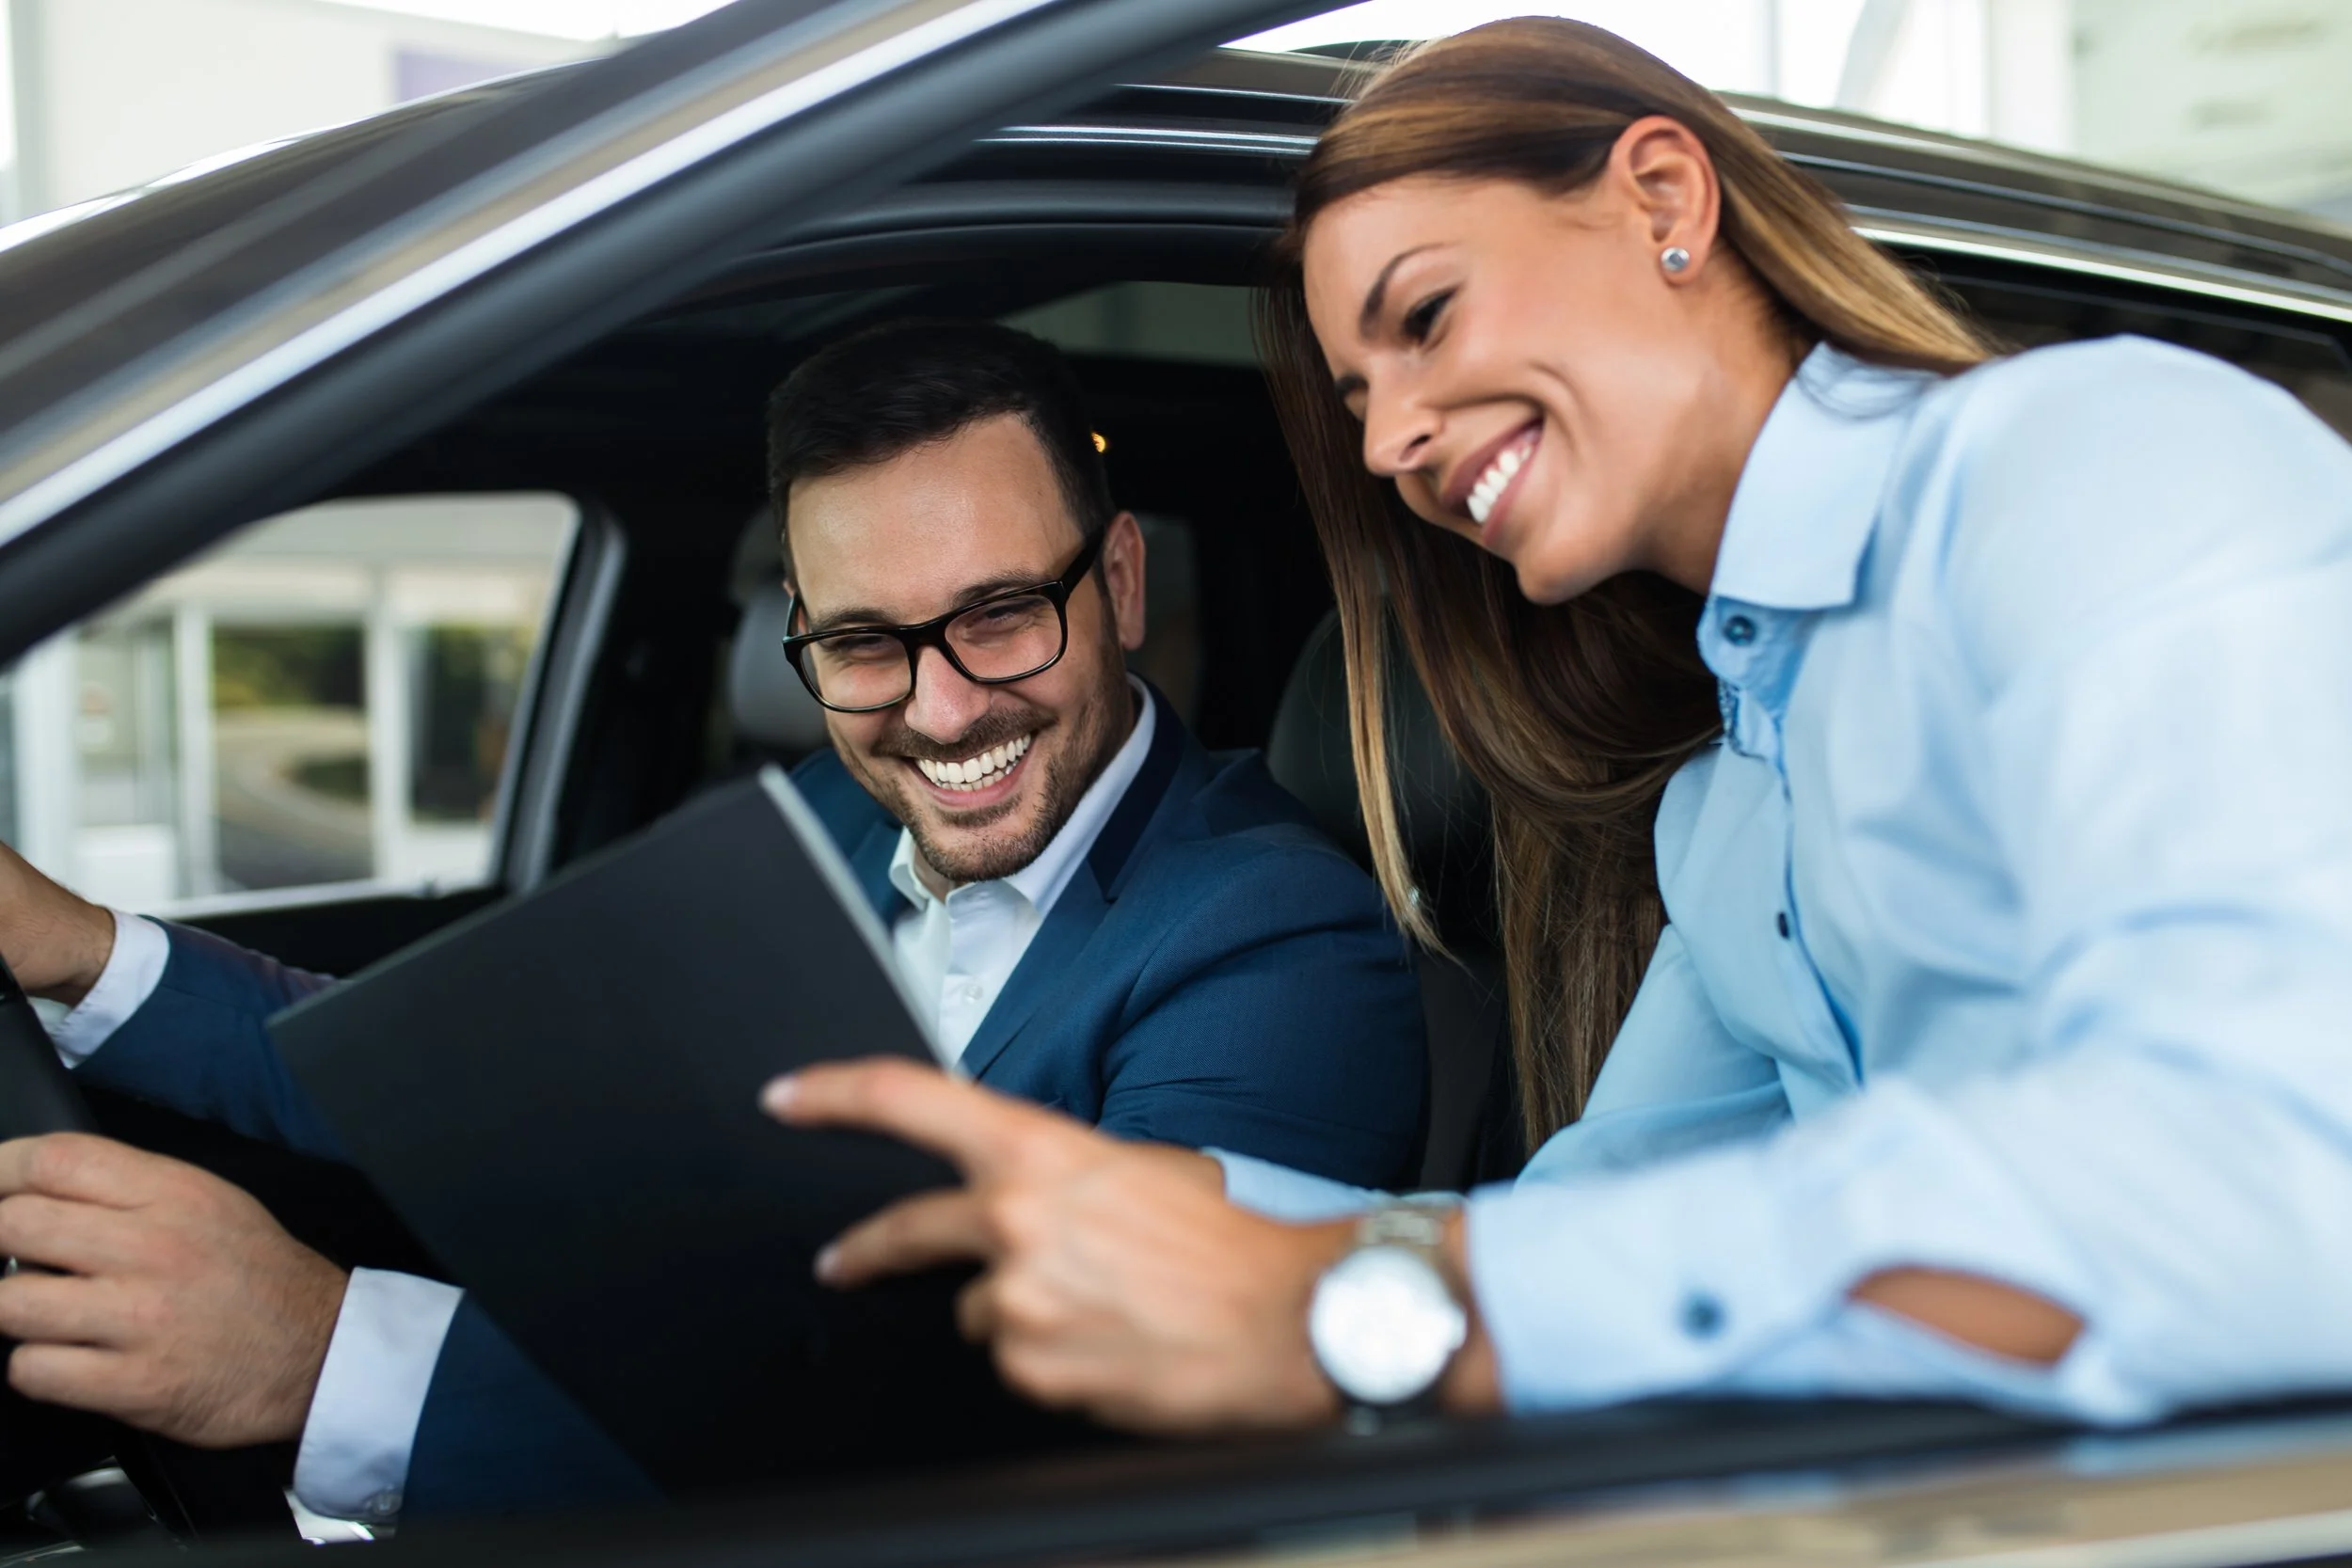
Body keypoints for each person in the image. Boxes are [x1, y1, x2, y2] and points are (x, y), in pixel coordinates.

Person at [761, 19, 2352, 1434]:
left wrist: (1375, 1318)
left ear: (1665, 200)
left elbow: (2271, 1184)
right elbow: (1593, 1212)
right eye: (1357, 388)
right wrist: (1140, 1198)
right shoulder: (1728, 805)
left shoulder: (2090, 468)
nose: (1387, 438)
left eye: (1427, 317)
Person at [0, 320, 1427, 1517]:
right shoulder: (832, 809)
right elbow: (460, 1064)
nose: (940, 712)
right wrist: (76, 948)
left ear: (1118, 581)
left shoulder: (1278, 946)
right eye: (864, 643)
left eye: (999, 614)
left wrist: (323, 1357)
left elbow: (1037, 1469)